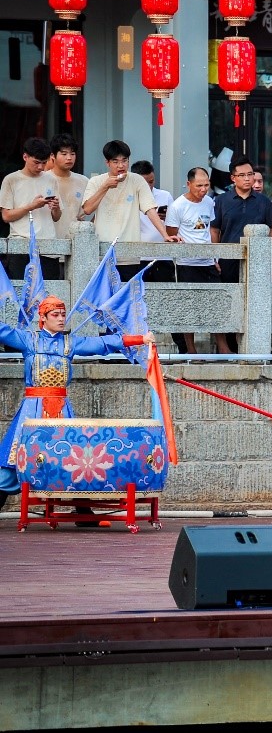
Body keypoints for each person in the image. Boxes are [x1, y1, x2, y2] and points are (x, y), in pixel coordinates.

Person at [0, 296, 154, 513]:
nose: (62, 319)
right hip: (32, 409)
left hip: (62, 407)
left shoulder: (69, 343)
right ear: (42, 318)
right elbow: (3, 331)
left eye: (63, 314)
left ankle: (82, 512)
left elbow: (102, 344)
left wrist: (139, 339)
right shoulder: (28, 340)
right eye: (56, 315)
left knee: (76, 459)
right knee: (13, 460)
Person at [81, 141, 174, 280]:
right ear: (107, 163)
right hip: (103, 252)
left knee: (128, 296)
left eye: (124, 161)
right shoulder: (96, 181)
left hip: (130, 254)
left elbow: (150, 209)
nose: (121, 165)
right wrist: (105, 187)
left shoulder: (137, 180)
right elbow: (88, 209)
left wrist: (165, 235)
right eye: (116, 161)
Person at [210, 155, 272, 353]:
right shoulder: (222, 201)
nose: (248, 179)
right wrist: (216, 255)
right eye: (242, 175)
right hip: (228, 260)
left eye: (250, 174)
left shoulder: (263, 202)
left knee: (254, 304)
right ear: (233, 178)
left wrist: (268, 258)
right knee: (227, 303)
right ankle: (226, 347)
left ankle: (253, 347)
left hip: (257, 262)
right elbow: (215, 230)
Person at [165, 167, 219, 353]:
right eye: (199, 186)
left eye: (206, 185)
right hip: (186, 262)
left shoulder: (209, 202)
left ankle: (223, 347)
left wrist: (215, 256)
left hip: (207, 261)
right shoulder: (177, 206)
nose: (203, 190)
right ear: (189, 184)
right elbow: (172, 233)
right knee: (188, 304)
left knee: (215, 302)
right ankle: (191, 349)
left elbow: (210, 230)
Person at [0, 137, 62, 279]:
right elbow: (6, 216)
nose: (40, 167)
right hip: (21, 245)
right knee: (20, 293)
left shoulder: (51, 179)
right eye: (36, 162)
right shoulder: (11, 180)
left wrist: (55, 207)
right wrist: (31, 206)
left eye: (44, 163)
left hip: (48, 246)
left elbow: (57, 217)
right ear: (25, 157)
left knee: (49, 296)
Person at [133, 160, 175, 282]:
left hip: (162, 256)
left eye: (151, 182)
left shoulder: (165, 196)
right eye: (144, 183)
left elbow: (174, 224)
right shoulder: (129, 198)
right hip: (137, 257)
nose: (149, 186)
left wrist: (167, 217)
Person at [47, 133, 87, 247]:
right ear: (52, 156)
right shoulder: (44, 180)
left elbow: (90, 210)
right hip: (50, 246)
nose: (69, 158)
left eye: (72, 154)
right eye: (64, 154)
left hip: (77, 245)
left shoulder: (83, 181)